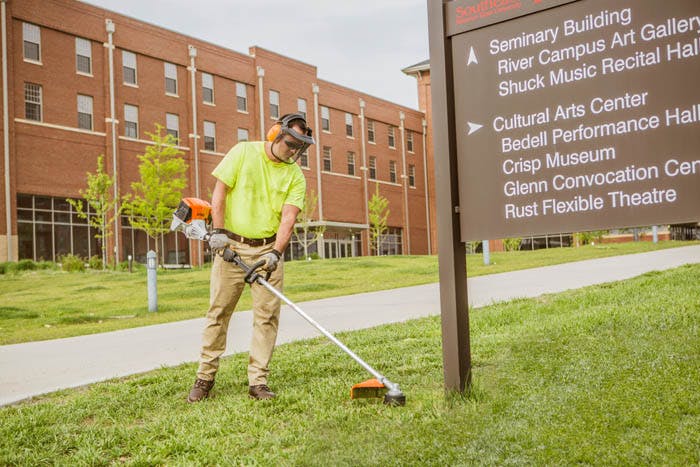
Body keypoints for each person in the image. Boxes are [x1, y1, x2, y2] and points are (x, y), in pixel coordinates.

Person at [188, 113, 314, 402]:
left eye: (299, 147)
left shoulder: (295, 176)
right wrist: (218, 233)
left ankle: (258, 382)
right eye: (291, 144)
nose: (294, 151)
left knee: (267, 316)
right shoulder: (243, 152)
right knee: (218, 312)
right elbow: (219, 194)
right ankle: (205, 377)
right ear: (275, 134)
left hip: (268, 250)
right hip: (230, 243)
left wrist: (275, 254)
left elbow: (288, 219)